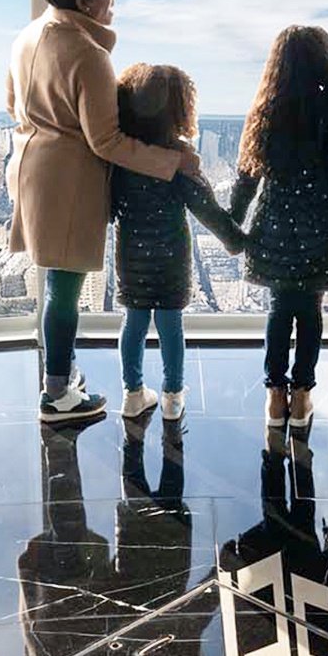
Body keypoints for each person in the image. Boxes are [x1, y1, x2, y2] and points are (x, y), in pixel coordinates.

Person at [6, 0, 201, 421]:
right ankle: (57, 394)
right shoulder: (89, 55)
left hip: (30, 167)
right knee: (66, 289)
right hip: (67, 181)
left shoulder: (27, 36)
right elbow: (107, 140)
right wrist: (172, 161)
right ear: (84, 1)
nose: (113, 0)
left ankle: (63, 370)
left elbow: (11, 102)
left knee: (55, 280)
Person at [231, 26, 328, 429]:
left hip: (274, 225)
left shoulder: (266, 108)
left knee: (279, 311)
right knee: (310, 313)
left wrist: (233, 223)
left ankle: (275, 396)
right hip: (318, 227)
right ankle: (303, 394)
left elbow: (247, 175)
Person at [112, 63, 245, 420]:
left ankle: (132, 393)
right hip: (170, 256)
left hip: (131, 255)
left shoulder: (121, 158)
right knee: (171, 325)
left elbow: (107, 204)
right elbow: (207, 209)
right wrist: (235, 241)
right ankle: (172, 397)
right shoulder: (177, 159)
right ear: (180, 109)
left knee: (134, 322)